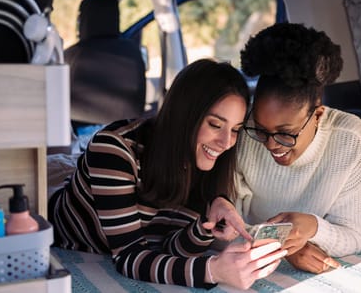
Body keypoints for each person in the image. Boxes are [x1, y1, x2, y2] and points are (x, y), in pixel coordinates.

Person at [48, 59, 287, 289]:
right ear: (184, 115)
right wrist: (214, 270)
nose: (226, 142)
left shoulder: (206, 162)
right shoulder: (114, 149)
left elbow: (168, 247)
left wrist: (204, 228)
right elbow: (129, 258)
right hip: (71, 236)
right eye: (215, 125)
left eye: (235, 130)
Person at [235, 23, 361, 274]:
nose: (271, 144)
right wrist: (285, 248)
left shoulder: (349, 137)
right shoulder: (241, 131)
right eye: (261, 129)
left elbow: (354, 235)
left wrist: (313, 227)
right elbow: (224, 228)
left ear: (318, 115)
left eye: (286, 134)